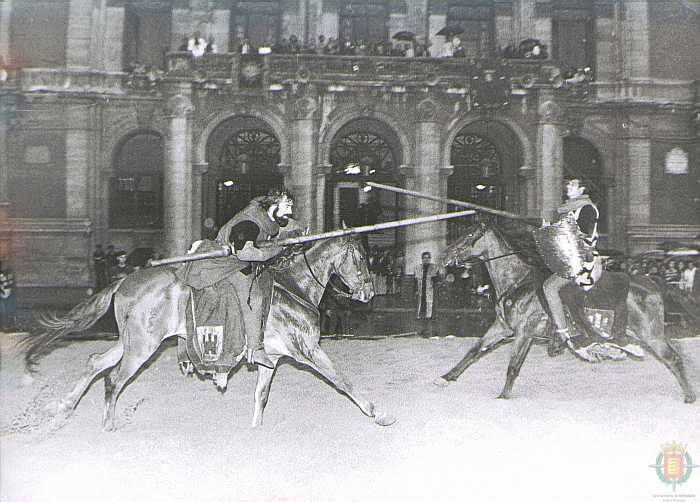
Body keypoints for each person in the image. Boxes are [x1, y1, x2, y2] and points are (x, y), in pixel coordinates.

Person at [184, 190, 296, 369]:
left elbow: (288, 227)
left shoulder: (270, 218)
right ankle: (255, 348)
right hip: (224, 263)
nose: (290, 212)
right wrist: (278, 249)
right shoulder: (249, 222)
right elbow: (246, 253)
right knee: (255, 298)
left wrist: (298, 235)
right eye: (287, 207)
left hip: (236, 261)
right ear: (274, 205)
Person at [542, 178, 600, 355]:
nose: (568, 187)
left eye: (573, 185)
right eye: (568, 184)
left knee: (550, 288)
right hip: (569, 257)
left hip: (582, 259)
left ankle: (562, 333)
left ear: (582, 189)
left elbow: (579, 235)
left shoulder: (587, 208)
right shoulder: (568, 208)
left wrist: (553, 230)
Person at [414, 251, 440, 336]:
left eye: (427, 258)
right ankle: (422, 328)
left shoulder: (434, 268)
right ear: (422, 259)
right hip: (421, 290)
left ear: (430, 259)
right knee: (421, 307)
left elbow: (437, 280)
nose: (426, 260)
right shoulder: (418, 268)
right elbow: (415, 281)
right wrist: (415, 290)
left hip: (430, 291)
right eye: (424, 258)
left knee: (430, 307)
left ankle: (430, 329)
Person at [0, 263, 17, 332]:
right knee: (7, 311)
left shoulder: (5, 275)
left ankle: (8, 325)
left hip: (6, 295)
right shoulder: (8, 274)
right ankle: (8, 325)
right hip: (7, 294)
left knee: (6, 311)